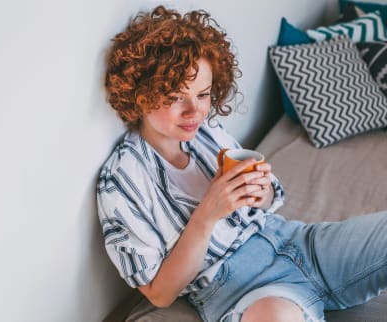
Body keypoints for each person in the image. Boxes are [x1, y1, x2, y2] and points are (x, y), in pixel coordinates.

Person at [96, 5, 387, 322]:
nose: (195, 112)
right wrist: (206, 215)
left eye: (203, 94)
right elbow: (160, 293)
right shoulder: (121, 180)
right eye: (176, 97)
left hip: (298, 243)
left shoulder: (207, 133)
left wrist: (260, 192)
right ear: (139, 95)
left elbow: (270, 199)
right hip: (238, 287)